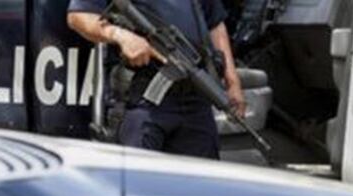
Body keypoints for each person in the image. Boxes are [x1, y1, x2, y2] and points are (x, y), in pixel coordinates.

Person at [67, 0, 245, 159]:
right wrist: (121, 36)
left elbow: (215, 24)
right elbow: (78, 16)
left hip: (196, 98)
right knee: (138, 185)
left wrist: (232, 82)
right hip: (143, 99)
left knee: (202, 188)